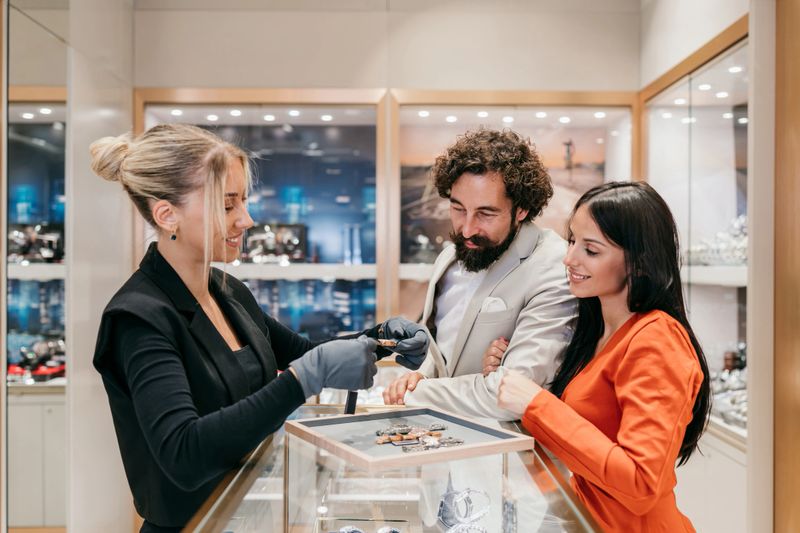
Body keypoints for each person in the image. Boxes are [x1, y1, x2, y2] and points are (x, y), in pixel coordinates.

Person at [90, 124, 428, 532]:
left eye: (244, 202)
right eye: (227, 205)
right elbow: (183, 454)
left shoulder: (227, 291)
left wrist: (381, 341)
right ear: (167, 214)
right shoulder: (139, 318)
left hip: (250, 515)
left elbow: (306, 353)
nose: (246, 220)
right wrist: (303, 379)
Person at [495, 181, 711, 532]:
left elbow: (639, 483)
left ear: (639, 263)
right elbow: (585, 438)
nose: (570, 259)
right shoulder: (596, 329)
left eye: (591, 251)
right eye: (572, 241)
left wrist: (535, 404)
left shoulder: (657, 339)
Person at [383, 129, 577, 420]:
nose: (467, 229)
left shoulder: (553, 267)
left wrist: (419, 393)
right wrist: (419, 376)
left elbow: (514, 394)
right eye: (458, 208)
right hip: (438, 439)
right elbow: (441, 346)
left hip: (506, 453)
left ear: (522, 209)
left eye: (486, 214)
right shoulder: (450, 256)